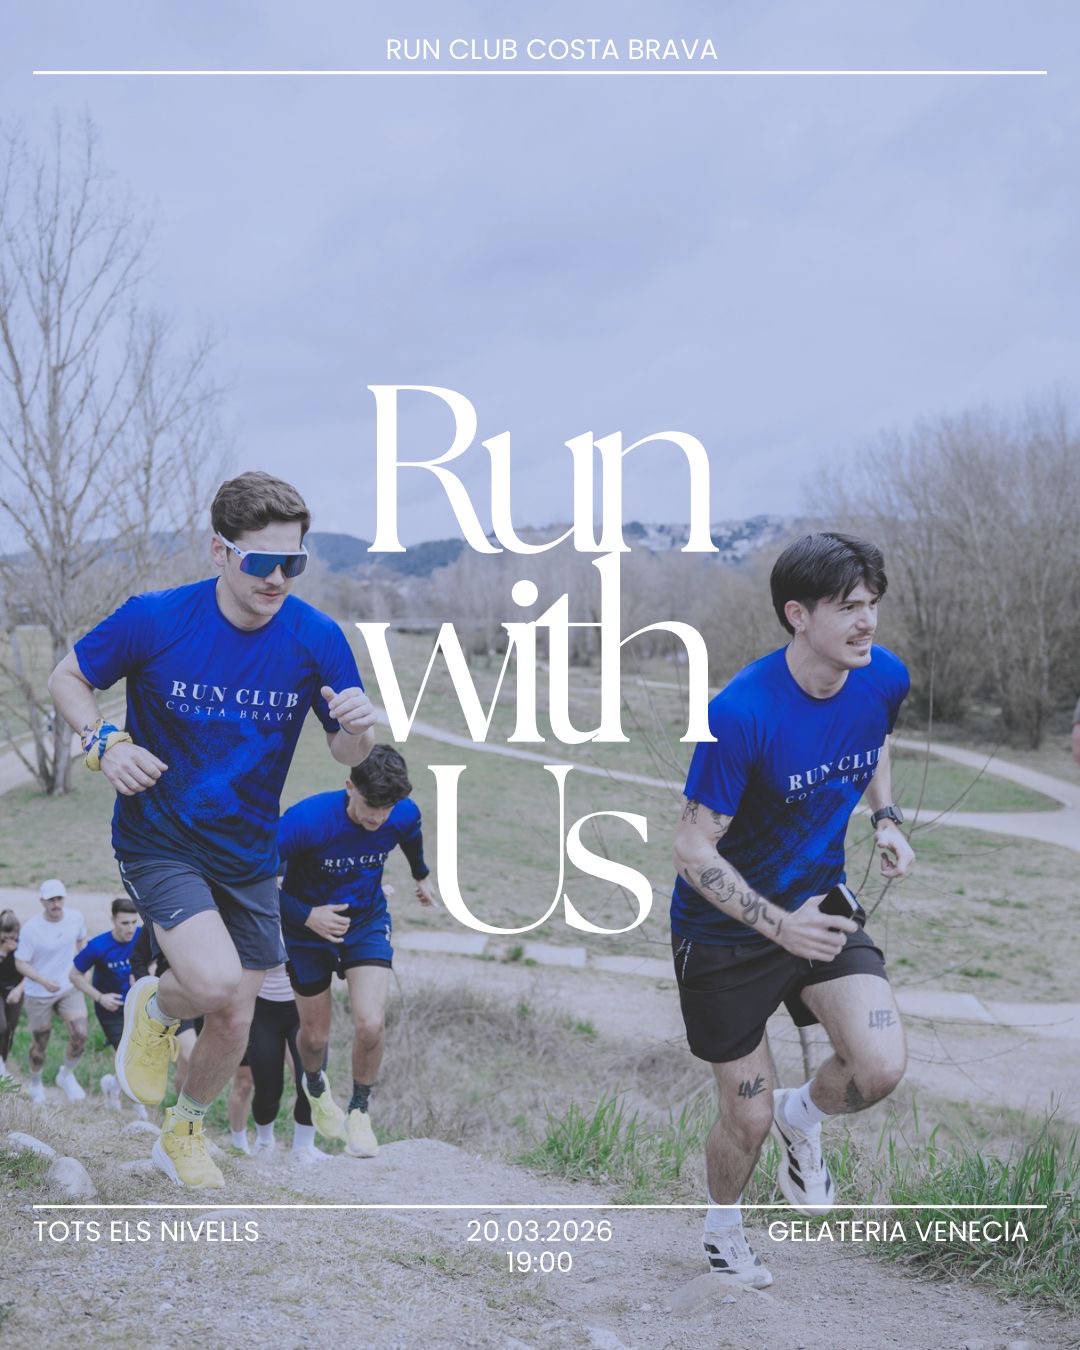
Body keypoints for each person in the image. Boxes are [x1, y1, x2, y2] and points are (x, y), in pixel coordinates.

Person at [48, 471, 377, 1188]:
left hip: (249, 850)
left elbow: (346, 752)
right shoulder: (156, 618)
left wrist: (358, 731)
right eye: (261, 561)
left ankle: (182, 1131)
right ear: (219, 551)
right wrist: (106, 742)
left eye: (293, 562)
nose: (277, 578)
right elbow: (67, 678)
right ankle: (157, 1007)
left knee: (234, 1016)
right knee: (215, 981)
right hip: (159, 835)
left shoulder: (317, 637)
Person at [671, 532, 915, 1287]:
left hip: (820, 904)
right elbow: (692, 849)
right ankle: (722, 1230)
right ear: (797, 615)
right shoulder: (740, 713)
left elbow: (873, 738)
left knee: (879, 1067)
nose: (867, 622)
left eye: (871, 604)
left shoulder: (881, 676)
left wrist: (884, 817)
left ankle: (800, 1115)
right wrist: (779, 926)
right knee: (744, 1118)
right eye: (848, 608)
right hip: (724, 935)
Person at [278, 745, 437, 1157]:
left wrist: (421, 876)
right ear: (350, 786)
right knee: (315, 1037)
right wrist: (307, 915)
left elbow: (411, 837)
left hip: (365, 923)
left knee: (371, 1024)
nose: (377, 818)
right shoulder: (305, 821)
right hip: (307, 931)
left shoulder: (402, 813)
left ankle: (360, 1111)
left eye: (386, 809)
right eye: (370, 806)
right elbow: (255, 881)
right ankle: (316, 1086)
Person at [226, 963, 327, 1162]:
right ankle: (264, 1142)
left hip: (304, 1005)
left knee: (310, 1081)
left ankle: (304, 1147)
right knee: (268, 1090)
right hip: (262, 1010)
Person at [12, 880, 88, 1103]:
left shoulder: (75, 918)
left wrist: (82, 966)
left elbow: (82, 939)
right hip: (39, 991)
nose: (56, 903)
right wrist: (43, 981)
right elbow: (20, 963)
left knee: (80, 1034)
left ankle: (66, 1075)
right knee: (40, 1043)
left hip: (68, 986)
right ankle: (36, 1082)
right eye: (51, 900)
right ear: (42, 902)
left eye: (59, 898)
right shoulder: (31, 929)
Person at [68, 897, 141, 1109]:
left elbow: (154, 960)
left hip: (137, 1005)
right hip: (110, 1009)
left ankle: (112, 1085)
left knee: (140, 1054)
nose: (130, 928)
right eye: (124, 923)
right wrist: (100, 997)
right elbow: (74, 975)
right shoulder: (98, 946)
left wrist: (144, 975)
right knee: (128, 1055)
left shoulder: (142, 935)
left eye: (133, 922)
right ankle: (138, 1106)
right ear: (113, 920)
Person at [0, 910, 26, 1081]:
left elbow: (31, 972)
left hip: (16, 989)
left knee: (10, 1028)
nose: (10, 940)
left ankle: (3, 1062)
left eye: (13, 936)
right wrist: (2, 952)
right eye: (5, 936)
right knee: (1, 1026)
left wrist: (19, 990)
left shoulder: (23, 944)